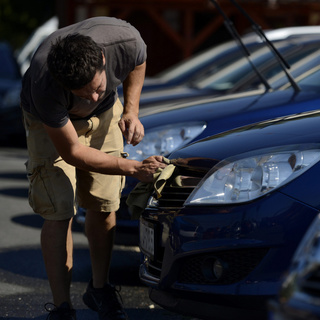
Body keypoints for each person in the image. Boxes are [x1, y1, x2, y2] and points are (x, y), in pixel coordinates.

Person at [20, 17, 166, 320]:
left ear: (103, 60)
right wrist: (133, 167)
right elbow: (73, 151)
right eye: (84, 94)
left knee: (104, 204)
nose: (94, 96)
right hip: (51, 127)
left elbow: (139, 61)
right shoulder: (44, 82)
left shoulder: (125, 41)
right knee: (59, 210)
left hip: (104, 120)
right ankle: (62, 308)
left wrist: (130, 110)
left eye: (97, 87)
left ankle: (100, 289)